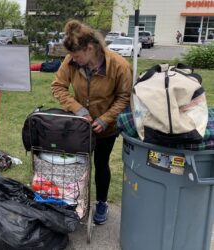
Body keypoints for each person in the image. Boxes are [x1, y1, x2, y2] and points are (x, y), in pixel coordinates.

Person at [51, 20, 132, 225]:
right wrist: (77, 109)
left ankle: (102, 202)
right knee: (77, 164)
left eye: (77, 56)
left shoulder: (119, 66)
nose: (74, 60)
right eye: (72, 56)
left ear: (90, 48)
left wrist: (105, 119)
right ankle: (74, 201)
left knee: (101, 164)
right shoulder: (71, 62)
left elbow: (124, 97)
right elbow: (58, 86)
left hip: (106, 129)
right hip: (80, 127)